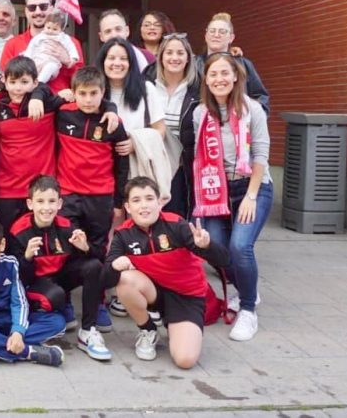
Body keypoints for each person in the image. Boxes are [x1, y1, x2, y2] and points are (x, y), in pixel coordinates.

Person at [186, 52, 274, 342]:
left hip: (252, 187)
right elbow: (200, 158)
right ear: (206, 80)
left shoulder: (252, 109)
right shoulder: (200, 113)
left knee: (240, 246)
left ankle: (248, 309)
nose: (219, 79)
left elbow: (261, 155)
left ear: (236, 76)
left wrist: (250, 196)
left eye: (225, 73)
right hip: (215, 191)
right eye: (213, 74)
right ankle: (247, 287)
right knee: (215, 248)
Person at [105, 176, 228, 367]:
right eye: (136, 200)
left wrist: (207, 246)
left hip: (185, 297)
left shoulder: (177, 225)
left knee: (185, 360)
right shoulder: (123, 234)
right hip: (154, 294)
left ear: (160, 202)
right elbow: (105, 278)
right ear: (128, 207)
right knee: (125, 279)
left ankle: (175, 326)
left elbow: (224, 260)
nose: (143, 205)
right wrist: (114, 266)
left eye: (149, 198)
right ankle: (148, 329)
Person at [8, 175, 110, 362]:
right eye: (40, 201)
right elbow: (16, 277)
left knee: (93, 266)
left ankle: (88, 331)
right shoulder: (19, 231)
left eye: (52, 201)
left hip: (59, 278)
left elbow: (97, 259)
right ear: (30, 204)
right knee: (55, 296)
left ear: (60, 203)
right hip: (34, 283)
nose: (46, 208)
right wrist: (27, 257)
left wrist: (86, 248)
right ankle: (37, 316)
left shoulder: (66, 226)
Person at [0, 216, 65, 366]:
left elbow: (19, 302)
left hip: (10, 319)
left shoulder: (11, 263)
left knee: (57, 321)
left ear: (2, 244)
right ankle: (29, 352)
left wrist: (18, 331)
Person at [53, 66, 129, 262]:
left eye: (93, 93)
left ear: (103, 92)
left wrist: (118, 202)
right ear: (74, 92)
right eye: (82, 93)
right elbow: (39, 99)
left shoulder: (113, 123)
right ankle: (65, 291)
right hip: (68, 193)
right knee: (66, 243)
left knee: (97, 247)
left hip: (100, 196)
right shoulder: (62, 114)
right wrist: (60, 96)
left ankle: (97, 291)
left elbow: (122, 165)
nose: (88, 99)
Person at [98, 38, 168, 197]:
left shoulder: (146, 89)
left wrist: (136, 143)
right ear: (103, 61)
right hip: (102, 171)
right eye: (111, 58)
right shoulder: (94, 91)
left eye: (123, 59)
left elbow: (160, 129)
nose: (117, 63)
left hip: (138, 168)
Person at [0, 56, 53, 231]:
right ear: (5, 82)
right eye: (13, 82)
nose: (18, 88)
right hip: (7, 188)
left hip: (41, 190)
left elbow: (76, 99)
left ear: (35, 83)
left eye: (24, 82)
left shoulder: (46, 104)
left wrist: (110, 109)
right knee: (10, 241)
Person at [150, 33, 199, 218]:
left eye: (180, 53)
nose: (174, 58)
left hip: (181, 167)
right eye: (169, 52)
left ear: (188, 58)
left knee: (175, 219)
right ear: (161, 57)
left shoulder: (198, 90)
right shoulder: (148, 87)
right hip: (152, 165)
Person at [0, 0, 80, 92]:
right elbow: (5, 82)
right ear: (26, 11)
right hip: (25, 105)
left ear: (51, 9)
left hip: (60, 105)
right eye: (32, 8)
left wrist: (67, 62)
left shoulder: (71, 43)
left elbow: (82, 82)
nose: (38, 12)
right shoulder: (12, 44)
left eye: (43, 6)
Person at [197, 12, 270, 114]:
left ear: (231, 38)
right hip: (202, 124)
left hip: (239, 124)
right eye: (212, 31)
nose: (216, 35)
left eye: (222, 32)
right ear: (205, 36)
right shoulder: (194, 65)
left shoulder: (243, 65)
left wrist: (251, 120)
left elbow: (261, 98)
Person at [24, 9, 81, 84]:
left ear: (61, 29)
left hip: (52, 62)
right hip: (38, 60)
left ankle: (39, 83)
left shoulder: (63, 37)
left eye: (55, 29)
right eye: (48, 28)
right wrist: (27, 58)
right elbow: (31, 46)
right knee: (29, 68)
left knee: (50, 67)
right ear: (45, 25)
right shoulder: (40, 36)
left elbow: (71, 47)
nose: (50, 31)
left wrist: (73, 58)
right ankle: (30, 81)